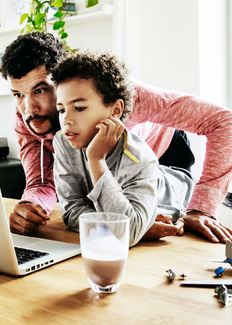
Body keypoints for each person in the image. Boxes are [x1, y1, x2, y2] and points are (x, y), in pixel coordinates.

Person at [0, 31, 232, 243]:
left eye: (40, 90)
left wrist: (202, 209)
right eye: (18, 95)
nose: (28, 109)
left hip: (163, 158)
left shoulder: (122, 95)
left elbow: (225, 123)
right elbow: (42, 183)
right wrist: (30, 206)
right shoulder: (28, 116)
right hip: (101, 166)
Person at [52, 51, 195, 246]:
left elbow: (128, 232)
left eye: (79, 108)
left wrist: (96, 160)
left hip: (175, 186)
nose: (66, 120)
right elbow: (71, 212)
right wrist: (123, 227)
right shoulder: (64, 141)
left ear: (115, 110)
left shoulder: (141, 159)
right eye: (61, 109)